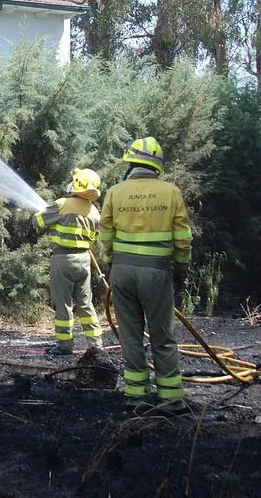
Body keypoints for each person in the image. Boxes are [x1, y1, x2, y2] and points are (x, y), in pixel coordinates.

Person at [100, 136, 193, 414]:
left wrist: (110, 264)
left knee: (130, 336)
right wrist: (181, 272)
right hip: (156, 272)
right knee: (162, 336)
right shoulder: (171, 192)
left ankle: (136, 397)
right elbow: (183, 239)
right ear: (157, 165)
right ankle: (171, 399)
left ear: (130, 162)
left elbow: (105, 236)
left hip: (122, 272)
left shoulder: (115, 192)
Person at [34, 168, 105, 356]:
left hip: (63, 259)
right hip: (84, 261)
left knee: (64, 303)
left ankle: (65, 346)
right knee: (86, 304)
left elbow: (38, 222)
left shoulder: (62, 204)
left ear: (77, 184)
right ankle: (96, 345)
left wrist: (44, 211)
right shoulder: (95, 212)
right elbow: (94, 241)